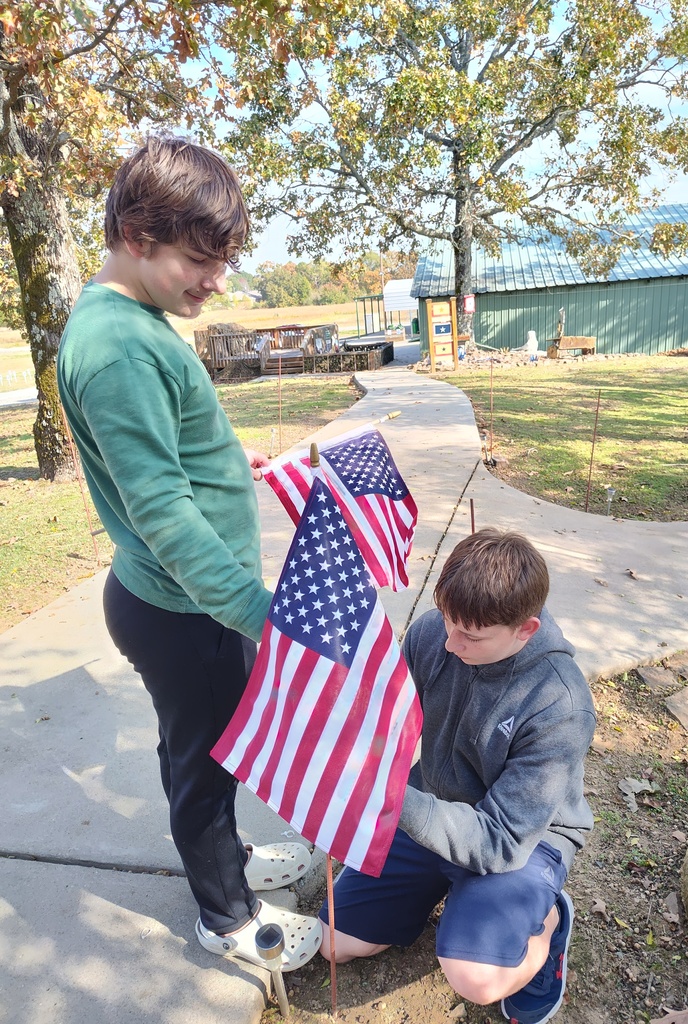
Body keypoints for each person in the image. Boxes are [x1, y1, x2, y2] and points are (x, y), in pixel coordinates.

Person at [57, 136, 322, 973]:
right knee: (204, 766)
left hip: (187, 602)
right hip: (186, 607)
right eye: (198, 263)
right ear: (138, 236)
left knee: (212, 749)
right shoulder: (122, 347)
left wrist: (222, 462)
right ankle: (228, 915)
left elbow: (163, 460)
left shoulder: (134, 321)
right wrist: (259, 614)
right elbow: (164, 517)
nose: (215, 283)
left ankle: (231, 864)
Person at [318, 528, 596, 1024]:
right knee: (335, 942)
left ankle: (550, 922)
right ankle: (443, 899)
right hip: (437, 805)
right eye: (447, 620)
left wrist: (391, 801)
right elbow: (391, 719)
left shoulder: (560, 704)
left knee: (474, 978)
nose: (449, 642)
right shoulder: (435, 634)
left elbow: (501, 840)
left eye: (470, 635)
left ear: (526, 629)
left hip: (523, 841)